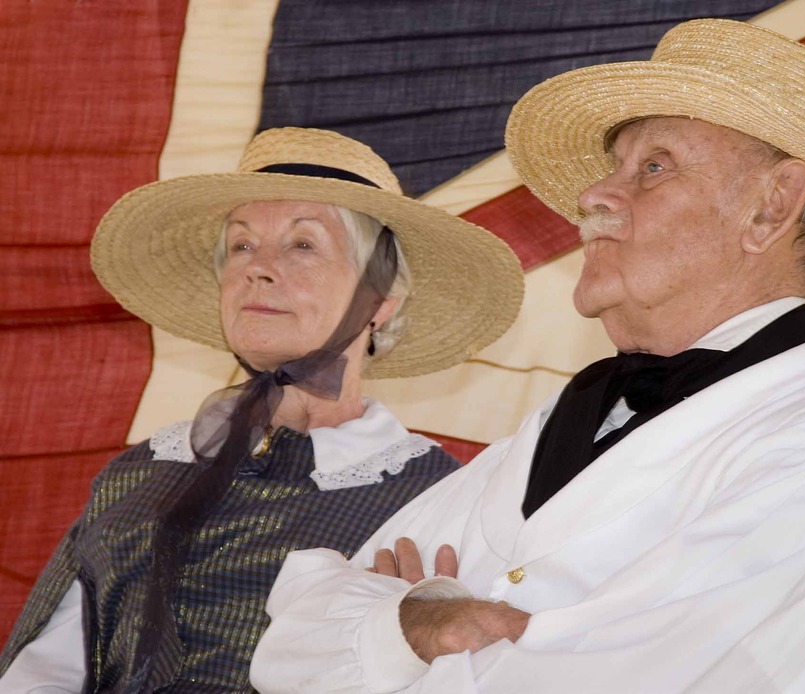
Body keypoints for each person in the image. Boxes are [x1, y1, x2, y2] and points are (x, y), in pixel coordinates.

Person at [249, 19, 805, 693]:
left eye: (654, 166)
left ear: (771, 207)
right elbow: (290, 642)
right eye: (615, 165)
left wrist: (394, 633)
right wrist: (423, 621)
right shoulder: (561, 422)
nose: (593, 194)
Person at [0, 127, 524, 692]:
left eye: (303, 245)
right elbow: (42, 673)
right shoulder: (138, 474)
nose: (258, 268)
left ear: (379, 301)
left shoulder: (435, 495)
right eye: (242, 246)